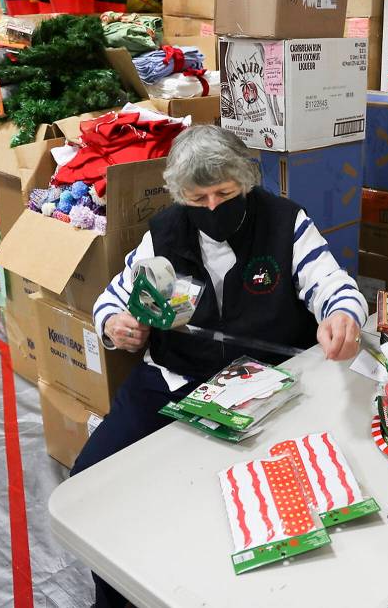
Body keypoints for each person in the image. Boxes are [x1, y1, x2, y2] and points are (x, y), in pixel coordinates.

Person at [72, 125, 367, 607]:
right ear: (179, 195)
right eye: (198, 198)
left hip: (263, 386)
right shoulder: (163, 232)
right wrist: (115, 325)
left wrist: (341, 315)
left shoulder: (284, 221)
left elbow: (333, 283)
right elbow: (111, 300)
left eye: (224, 194)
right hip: (173, 378)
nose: (212, 207)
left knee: (251, 511)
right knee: (91, 480)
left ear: (247, 181)